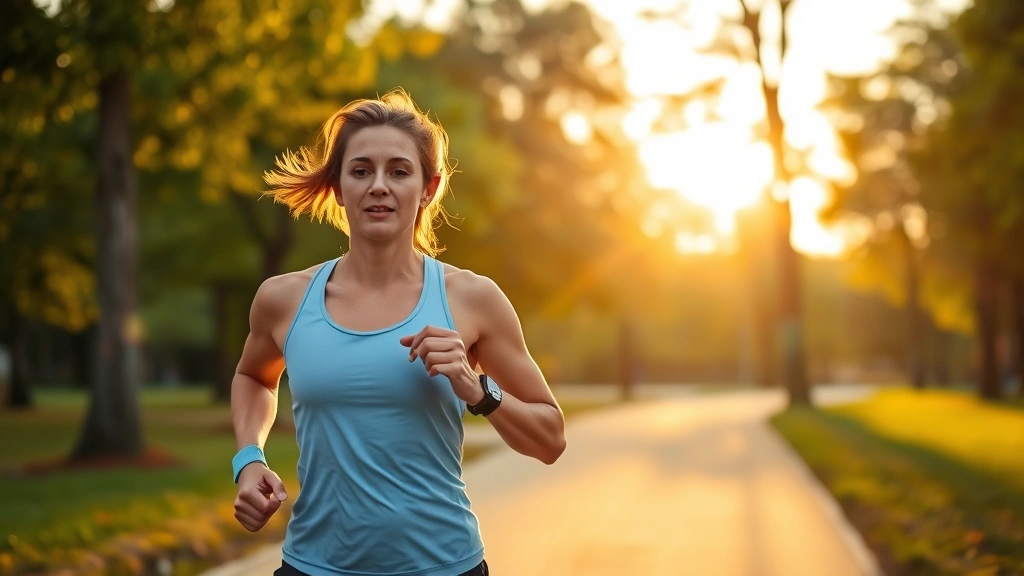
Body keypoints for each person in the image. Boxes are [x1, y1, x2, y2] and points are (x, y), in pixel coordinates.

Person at [229, 88, 566, 576]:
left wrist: (477, 389)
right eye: (361, 170)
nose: (379, 186)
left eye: (399, 171)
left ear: (428, 188)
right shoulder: (284, 299)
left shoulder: (472, 299)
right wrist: (249, 459)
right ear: (339, 188)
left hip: (444, 567)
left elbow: (550, 439)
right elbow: (254, 378)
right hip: (314, 567)